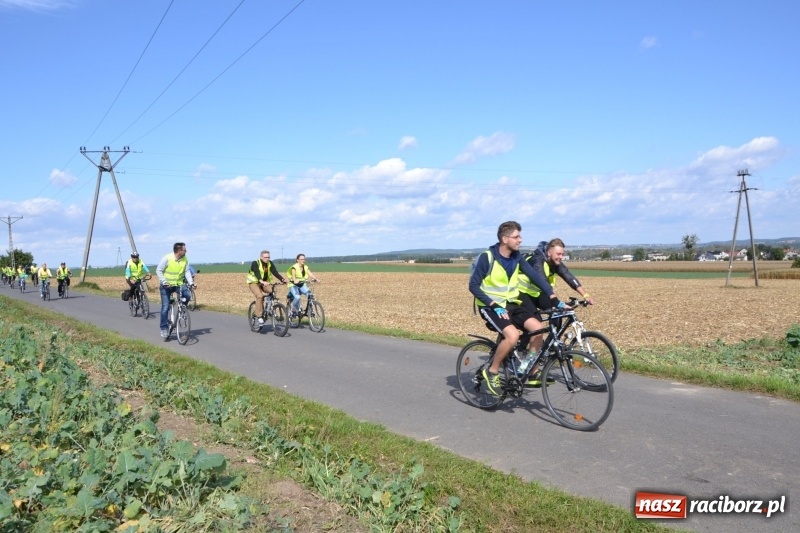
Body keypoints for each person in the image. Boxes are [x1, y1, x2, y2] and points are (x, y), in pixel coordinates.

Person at [468, 221, 561, 394]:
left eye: (520, 236)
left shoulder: (516, 257)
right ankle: (493, 371)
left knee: (538, 329)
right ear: (505, 239)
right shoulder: (487, 257)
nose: (520, 240)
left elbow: (535, 277)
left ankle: (529, 369)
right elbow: (473, 286)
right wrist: (493, 304)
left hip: (511, 304)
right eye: (516, 236)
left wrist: (553, 298)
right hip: (490, 307)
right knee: (513, 335)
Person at [518, 238, 594, 312]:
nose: (561, 257)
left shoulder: (555, 262)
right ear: (549, 253)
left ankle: (554, 325)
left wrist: (585, 295)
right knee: (535, 320)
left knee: (558, 311)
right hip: (522, 292)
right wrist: (556, 301)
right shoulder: (536, 260)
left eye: (562, 254)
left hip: (537, 293)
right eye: (558, 254)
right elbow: (542, 281)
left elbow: (569, 278)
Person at [156, 242, 195, 339]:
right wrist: (164, 282)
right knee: (165, 307)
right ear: (179, 251)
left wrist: (191, 283)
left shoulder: (185, 259)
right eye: (184, 249)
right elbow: (158, 270)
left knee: (187, 295)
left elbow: (186, 271)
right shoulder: (167, 258)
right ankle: (164, 328)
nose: (186, 251)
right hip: (167, 286)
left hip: (179, 284)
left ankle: (182, 309)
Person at [246, 250, 288, 325]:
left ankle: (268, 308)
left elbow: (275, 272)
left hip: (264, 283)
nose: (267, 259)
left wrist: (282, 279)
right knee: (260, 296)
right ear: (261, 257)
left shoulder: (269, 263)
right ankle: (259, 316)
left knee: (272, 291)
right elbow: (257, 272)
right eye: (265, 257)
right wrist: (261, 281)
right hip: (254, 282)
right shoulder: (255, 263)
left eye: (268, 257)